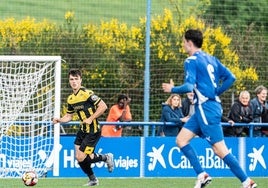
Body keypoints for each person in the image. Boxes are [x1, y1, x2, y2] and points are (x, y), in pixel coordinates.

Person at [162, 29, 257, 188]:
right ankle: (202, 174)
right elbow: (231, 77)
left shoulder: (191, 61)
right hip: (203, 109)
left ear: (189, 43)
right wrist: (216, 92)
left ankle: (247, 182)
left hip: (206, 109)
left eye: (184, 41)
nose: (183, 44)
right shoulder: (211, 58)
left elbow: (188, 86)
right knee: (181, 140)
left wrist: (172, 89)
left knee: (220, 149)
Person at [52, 69, 114, 186]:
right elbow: (69, 116)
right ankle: (93, 179)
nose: (74, 81)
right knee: (79, 157)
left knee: (82, 157)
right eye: (71, 79)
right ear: (69, 81)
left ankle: (106, 157)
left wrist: (90, 118)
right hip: (83, 130)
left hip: (93, 130)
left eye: (76, 79)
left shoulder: (87, 93)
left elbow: (103, 106)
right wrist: (59, 120)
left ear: (81, 80)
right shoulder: (71, 98)